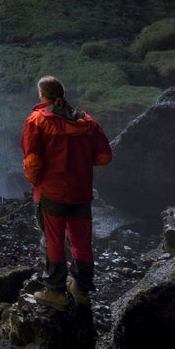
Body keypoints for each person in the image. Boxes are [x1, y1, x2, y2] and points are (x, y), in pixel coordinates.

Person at [21, 74, 112, 316]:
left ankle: (55, 292)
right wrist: (81, 162)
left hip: (52, 193)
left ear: (42, 95)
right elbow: (104, 157)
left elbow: (32, 162)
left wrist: (36, 181)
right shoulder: (87, 121)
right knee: (81, 242)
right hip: (81, 192)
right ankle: (81, 289)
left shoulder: (38, 121)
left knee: (53, 240)